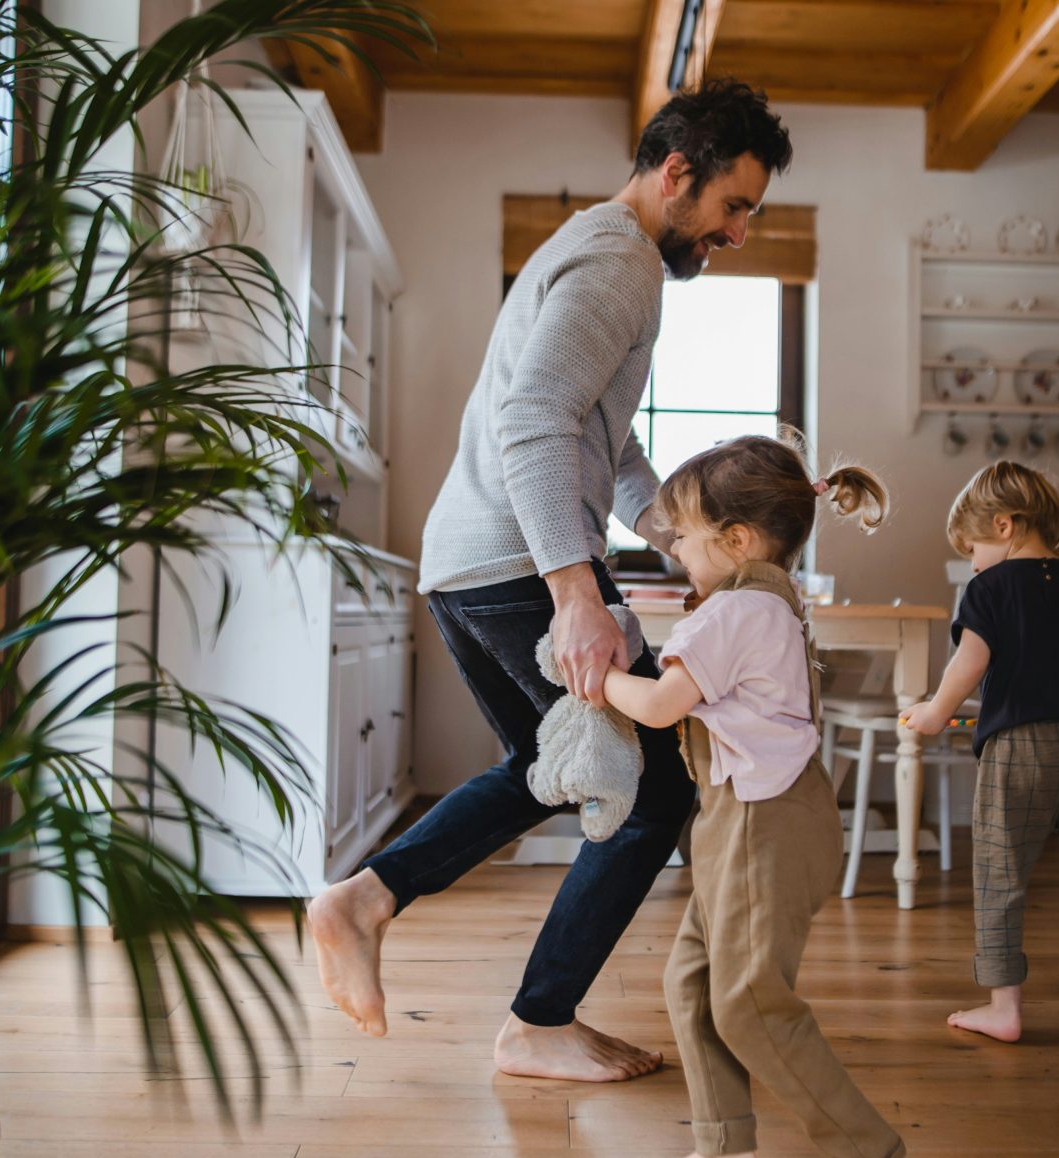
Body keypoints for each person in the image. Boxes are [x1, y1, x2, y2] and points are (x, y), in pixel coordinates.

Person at [305, 80, 794, 1083]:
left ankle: (364, 899)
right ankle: (537, 1018)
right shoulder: (621, 263)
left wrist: (687, 538)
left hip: (475, 559)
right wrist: (576, 591)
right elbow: (533, 424)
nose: (738, 231)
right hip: (517, 561)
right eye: (733, 205)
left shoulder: (595, 246)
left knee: (544, 762)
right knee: (655, 793)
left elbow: (593, 442)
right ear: (675, 174)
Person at [601, 433, 906, 1158]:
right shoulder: (770, 600)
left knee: (747, 1000)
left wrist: (598, 679)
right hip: (766, 811)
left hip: (760, 823)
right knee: (694, 981)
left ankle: (864, 1154)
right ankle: (725, 1146)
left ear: (736, 541)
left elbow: (662, 705)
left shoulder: (731, 611)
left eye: (684, 537)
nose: (674, 550)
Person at [901, 461, 1059, 1044]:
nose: (971, 563)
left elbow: (969, 662)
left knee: (1002, 874)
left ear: (1003, 525)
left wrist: (935, 712)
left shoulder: (989, 590)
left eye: (972, 547)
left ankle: (1004, 1008)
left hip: (1020, 748)